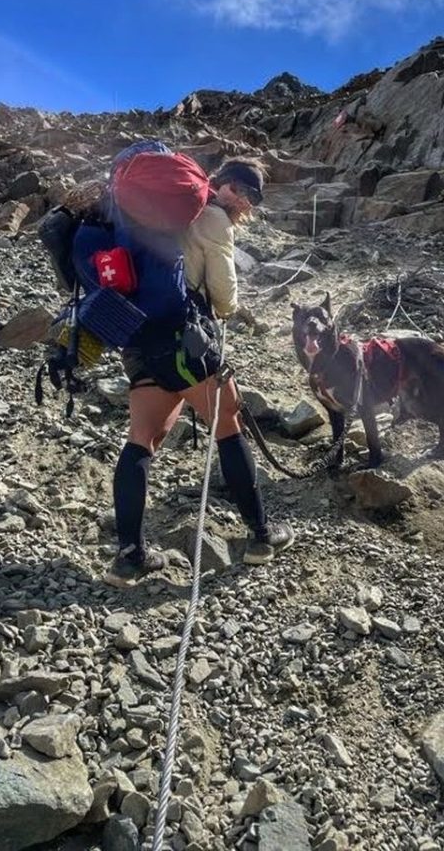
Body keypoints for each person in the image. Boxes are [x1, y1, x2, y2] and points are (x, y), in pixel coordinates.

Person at [106, 157, 295, 586]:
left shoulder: (161, 215)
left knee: (142, 439)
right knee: (228, 424)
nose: (248, 205)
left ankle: (129, 556)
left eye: (255, 198)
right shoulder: (212, 217)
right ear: (224, 185)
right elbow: (224, 294)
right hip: (184, 344)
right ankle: (262, 538)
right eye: (246, 193)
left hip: (139, 339)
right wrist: (229, 312)